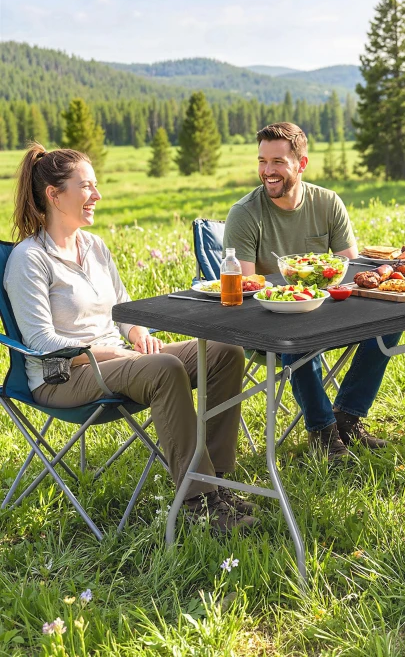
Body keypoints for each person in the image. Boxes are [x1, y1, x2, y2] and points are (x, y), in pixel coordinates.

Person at [4, 144, 254, 534]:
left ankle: (218, 480)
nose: (97, 196)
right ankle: (197, 502)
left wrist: (137, 333)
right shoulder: (29, 259)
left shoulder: (95, 246)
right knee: (164, 368)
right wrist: (107, 353)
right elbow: (40, 342)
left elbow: (122, 308)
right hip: (62, 376)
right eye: (85, 186)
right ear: (54, 195)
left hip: (118, 361)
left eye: (96, 185)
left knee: (224, 352)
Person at [223, 122, 401, 462]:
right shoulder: (245, 214)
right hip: (271, 322)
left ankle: (347, 417)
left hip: (330, 314)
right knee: (294, 333)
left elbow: (352, 269)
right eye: (262, 161)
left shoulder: (327, 203)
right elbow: (247, 290)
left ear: (301, 164)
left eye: (277, 162)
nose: (267, 171)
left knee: (390, 320)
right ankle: (322, 432)